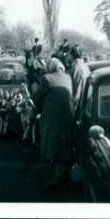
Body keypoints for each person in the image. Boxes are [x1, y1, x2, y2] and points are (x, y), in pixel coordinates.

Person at [28, 57, 74, 186]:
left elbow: (38, 97)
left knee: (51, 143)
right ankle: (64, 171)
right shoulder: (68, 77)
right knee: (65, 143)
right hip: (68, 115)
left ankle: (54, 174)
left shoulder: (47, 78)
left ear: (50, 67)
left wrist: (35, 109)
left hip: (53, 118)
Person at [69, 45, 90, 114]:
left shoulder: (76, 68)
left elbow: (75, 89)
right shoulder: (85, 66)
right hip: (88, 102)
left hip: (79, 104)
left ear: (71, 55)